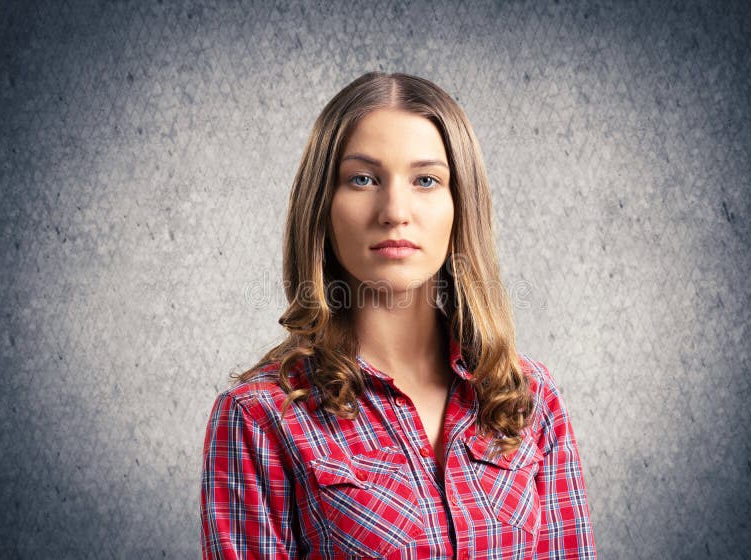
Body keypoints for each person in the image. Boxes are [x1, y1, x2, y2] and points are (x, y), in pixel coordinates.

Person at [200, 71, 597, 559]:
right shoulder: (259, 416)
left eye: (426, 180)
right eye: (362, 179)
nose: (395, 210)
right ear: (322, 206)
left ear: (460, 205)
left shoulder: (528, 398)